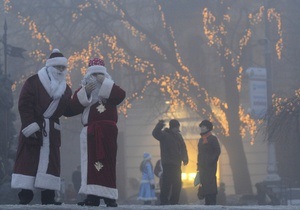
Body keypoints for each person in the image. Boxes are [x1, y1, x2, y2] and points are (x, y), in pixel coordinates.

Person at [11, 49, 72, 205]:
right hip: (35, 127)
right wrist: (30, 125)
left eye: (63, 68)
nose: (61, 70)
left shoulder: (66, 89)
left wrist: (85, 96)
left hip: (52, 131)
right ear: (51, 67)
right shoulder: (33, 82)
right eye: (58, 67)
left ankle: (49, 196)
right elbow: (24, 104)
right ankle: (25, 194)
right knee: (29, 161)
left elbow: (68, 110)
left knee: (51, 163)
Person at [70, 58, 126, 207]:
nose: (96, 78)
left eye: (99, 75)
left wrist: (106, 83)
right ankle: (92, 196)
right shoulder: (85, 90)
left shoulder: (111, 91)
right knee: (92, 164)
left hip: (108, 133)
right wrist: (85, 91)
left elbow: (121, 95)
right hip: (91, 133)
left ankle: (109, 197)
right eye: (93, 75)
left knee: (107, 163)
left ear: (105, 76)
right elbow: (72, 107)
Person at [152, 119, 188, 205]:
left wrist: (185, 158)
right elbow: (155, 133)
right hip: (167, 163)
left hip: (176, 163)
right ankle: (164, 201)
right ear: (172, 127)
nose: (177, 130)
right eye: (176, 128)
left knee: (178, 183)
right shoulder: (164, 135)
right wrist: (159, 125)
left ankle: (174, 201)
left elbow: (183, 148)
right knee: (167, 183)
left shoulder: (179, 136)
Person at [197, 119, 221, 205]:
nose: (201, 128)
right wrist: (198, 165)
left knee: (210, 182)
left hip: (210, 166)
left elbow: (217, 151)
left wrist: (211, 160)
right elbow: (199, 154)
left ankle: (212, 201)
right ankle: (207, 202)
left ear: (207, 128)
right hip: (202, 166)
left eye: (203, 127)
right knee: (204, 183)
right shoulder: (201, 140)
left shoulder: (213, 139)